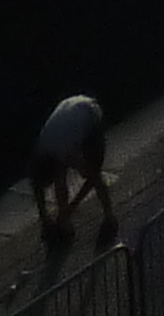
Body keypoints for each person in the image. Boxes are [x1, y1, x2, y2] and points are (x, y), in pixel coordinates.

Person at [31, 91, 112, 246]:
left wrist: (71, 207)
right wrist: (44, 219)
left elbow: (92, 176)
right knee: (61, 179)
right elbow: (40, 185)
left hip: (90, 114)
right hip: (69, 109)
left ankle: (109, 216)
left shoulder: (66, 151)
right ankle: (65, 223)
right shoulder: (42, 148)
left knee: (93, 171)